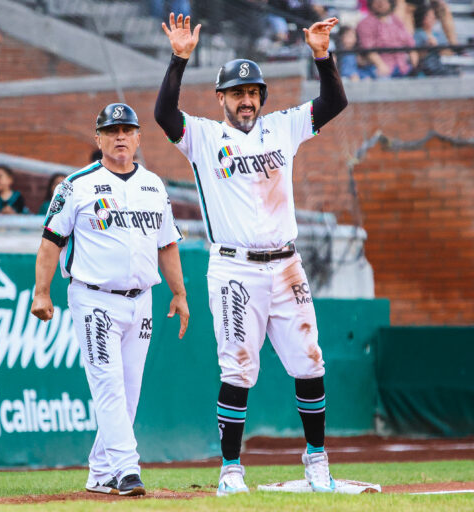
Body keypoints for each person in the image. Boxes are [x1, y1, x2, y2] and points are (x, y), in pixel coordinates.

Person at [155, 13, 347, 495]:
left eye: (253, 93)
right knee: (238, 367)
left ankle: (317, 461)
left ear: (262, 98)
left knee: (309, 361)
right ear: (221, 98)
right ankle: (231, 469)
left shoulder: (282, 128)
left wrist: (322, 56)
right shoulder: (202, 136)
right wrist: (179, 60)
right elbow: (163, 115)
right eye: (238, 93)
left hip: (286, 264)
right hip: (235, 267)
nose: (247, 100)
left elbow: (334, 101)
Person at [31, 103, 190, 497]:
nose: (120, 136)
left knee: (130, 390)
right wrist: (42, 291)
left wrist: (180, 293)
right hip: (94, 298)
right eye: (111, 129)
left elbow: (167, 244)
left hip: (142, 300)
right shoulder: (76, 184)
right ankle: (127, 469)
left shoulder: (154, 184)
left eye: (127, 130)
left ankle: (101, 472)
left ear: (138, 137)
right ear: (98, 137)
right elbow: (51, 240)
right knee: (108, 384)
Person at [357, 0, 418, 78]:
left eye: (385, 1)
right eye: (377, 1)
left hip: (403, 66)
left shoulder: (396, 20)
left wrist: (414, 65)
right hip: (379, 67)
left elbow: (410, 42)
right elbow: (368, 49)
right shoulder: (365, 23)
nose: (381, 3)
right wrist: (381, 65)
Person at [413, 3, 459, 76]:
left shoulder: (438, 34)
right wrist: (427, 46)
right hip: (426, 67)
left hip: (441, 64)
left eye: (433, 16)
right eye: (430, 16)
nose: (433, 18)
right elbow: (417, 55)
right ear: (423, 18)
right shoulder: (418, 34)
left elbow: (449, 52)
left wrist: (438, 48)